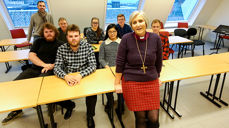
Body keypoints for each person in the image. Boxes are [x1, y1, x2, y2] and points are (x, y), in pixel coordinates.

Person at [1, 23, 64, 125]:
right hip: (35, 69)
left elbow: (63, 60)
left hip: (51, 70)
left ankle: (50, 103)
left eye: (51, 32)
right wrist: (44, 65)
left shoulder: (60, 44)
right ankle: (17, 109)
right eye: (46, 32)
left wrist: (51, 66)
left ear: (55, 32)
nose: (48, 34)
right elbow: (31, 56)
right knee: (15, 84)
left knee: (39, 86)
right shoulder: (38, 41)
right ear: (43, 33)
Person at [115, 11, 162, 128]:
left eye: (140, 21)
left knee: (154, 118)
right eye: (134, 22)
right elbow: (120, 62)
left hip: (151, 81)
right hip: (132, 82)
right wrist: (117, 83)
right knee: (140, 118)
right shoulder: (126, 38)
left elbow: (159, 61)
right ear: (131, 25)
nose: (138, 24)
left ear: (145, 22)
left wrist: (158, 77)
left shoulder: (155, 38)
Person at [54, 24, 97, 128]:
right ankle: (70, 106)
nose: (73, 39)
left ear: (80, 36)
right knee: (54, 96)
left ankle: (90, 116)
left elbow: (93, 65)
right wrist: (66, 76)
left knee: (92, 94)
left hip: (83, 75)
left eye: (76, 36)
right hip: (68, 76)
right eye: (70, 36)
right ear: (66, 37)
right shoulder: (61, 49)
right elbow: (56, 67)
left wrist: (80, 75)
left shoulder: (87, 46)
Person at [99, 24, 121, 114]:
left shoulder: (122, 42)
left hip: (119, 70)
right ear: (107, 33)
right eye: (110, 32)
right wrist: (106, 66)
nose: (112, 34)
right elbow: (101, 58)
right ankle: (110, 102)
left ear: (117, 32)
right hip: (107, 70)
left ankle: (121, 104)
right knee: (109, 89)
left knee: (121, 89)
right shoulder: (104, 44)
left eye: (114, 31)